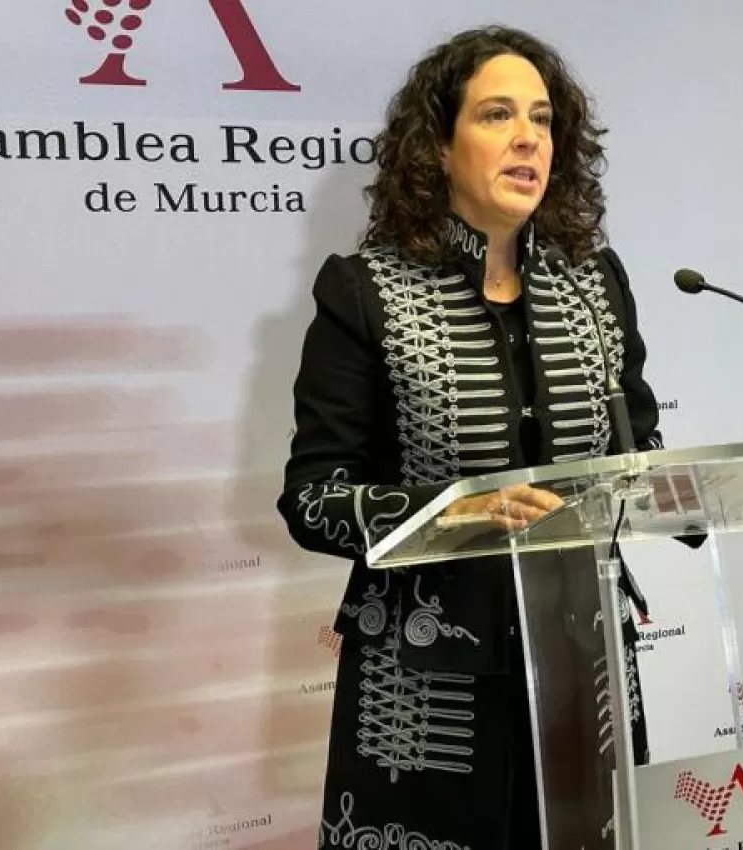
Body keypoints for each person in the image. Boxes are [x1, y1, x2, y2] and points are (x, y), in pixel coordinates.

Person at [277, 24, 677, 849]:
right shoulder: (366, 291)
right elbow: (312, 499)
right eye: (498, 114)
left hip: (585, 672)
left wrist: (667, 486)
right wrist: (455, 510)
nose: (528, 137)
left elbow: (637, 441)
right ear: (438, 146)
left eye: (542, 118)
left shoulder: (596, 284)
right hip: (426, 692)